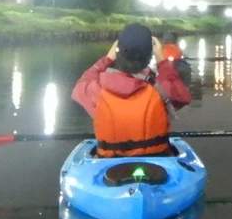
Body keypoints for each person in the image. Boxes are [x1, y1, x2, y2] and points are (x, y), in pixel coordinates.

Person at [72, 23, 191, 157]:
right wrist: (162, 61)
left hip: (110, 165)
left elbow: (81, 85)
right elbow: (182, 96)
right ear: (149, 57)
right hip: (156, 162)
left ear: (117, 52)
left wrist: (107, 59)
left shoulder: (98, 90)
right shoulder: (160, 91)